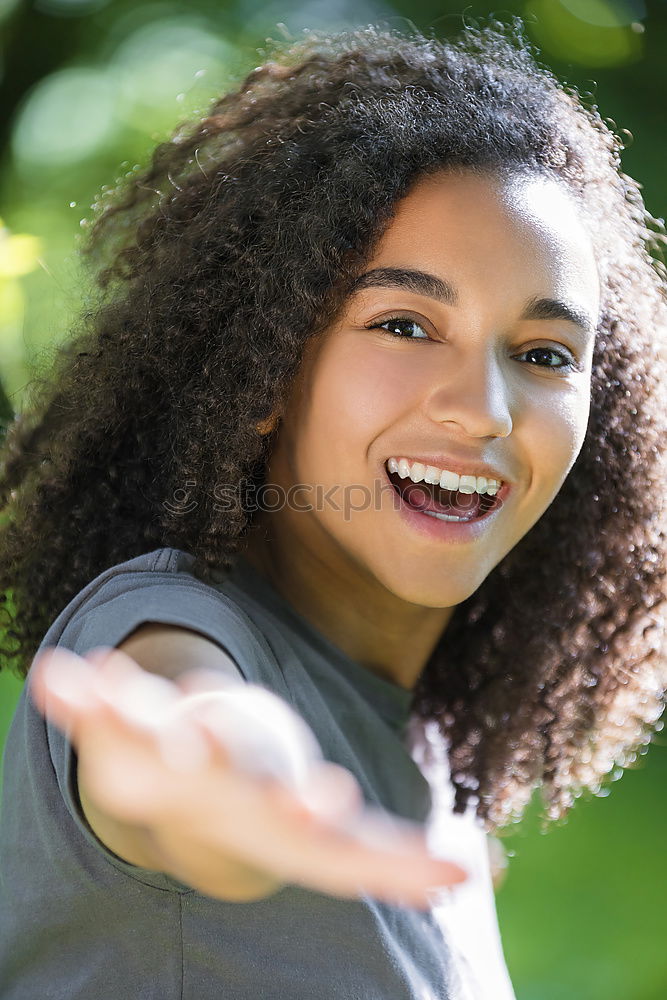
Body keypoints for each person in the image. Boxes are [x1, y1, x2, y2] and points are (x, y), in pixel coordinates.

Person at [0, 17, 665, 1000]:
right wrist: (213, 778)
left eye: (542, 354)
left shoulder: (427, 748)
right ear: (267, 369)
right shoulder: (165, 627)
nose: (482, 410)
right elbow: (209, 727)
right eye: (404, 323)